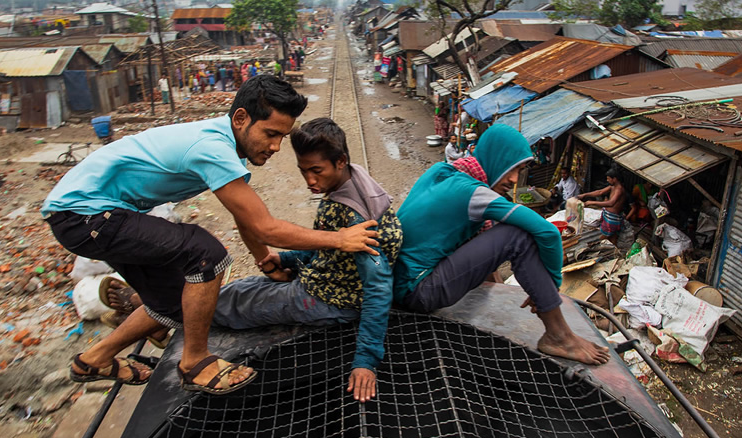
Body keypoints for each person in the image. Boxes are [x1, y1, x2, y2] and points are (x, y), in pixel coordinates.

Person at [41, 75, 380, 394]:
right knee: (205, 253)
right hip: (86, 214)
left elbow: (244, 218)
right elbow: (265, 226)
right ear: (241, 118)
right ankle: (196, 363)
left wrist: (265, 261)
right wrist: (339, 239)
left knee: (174, 302)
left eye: (282, 137)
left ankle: (94, 360)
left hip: (96, 216)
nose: (276, 147)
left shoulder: (222, 147)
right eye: (271, 134)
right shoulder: (212, 148)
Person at [213, 118, 402, 402]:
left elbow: (378, 288)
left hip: (328, 300)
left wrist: (366, 361)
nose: (310, 181)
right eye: (304, 172)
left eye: (316, 171)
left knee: (238, 305)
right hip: (320, 279)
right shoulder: (356, 176)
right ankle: (164, 310)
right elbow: (328, 246)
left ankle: (162, 310)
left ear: (340, 162)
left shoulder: (355, 217)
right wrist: (286, 258)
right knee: (243, 288)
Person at [393, 124, 611, 366]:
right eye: (513, 168)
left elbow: (480, 245)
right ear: (497, 159)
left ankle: (549, 322)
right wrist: (551, 287)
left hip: (401, 283)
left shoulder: (442, 171)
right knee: (517, 235)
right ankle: (559, 336)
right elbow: (548, 232)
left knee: (493, 232)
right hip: (417, 291)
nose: (514, 179)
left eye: (521, 170)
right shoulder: (473, 193)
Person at [578, 168, 628, 243]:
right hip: (607, 215)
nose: (607, 180)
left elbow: (611, 203)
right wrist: (585, 195)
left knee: (603, 238)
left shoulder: (619, 189)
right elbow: (600, 192)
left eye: (608, 179)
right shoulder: (612, 186)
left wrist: (591, 202)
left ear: (614, 179)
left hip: (612, 217)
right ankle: (613, 251)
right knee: (612, 238)